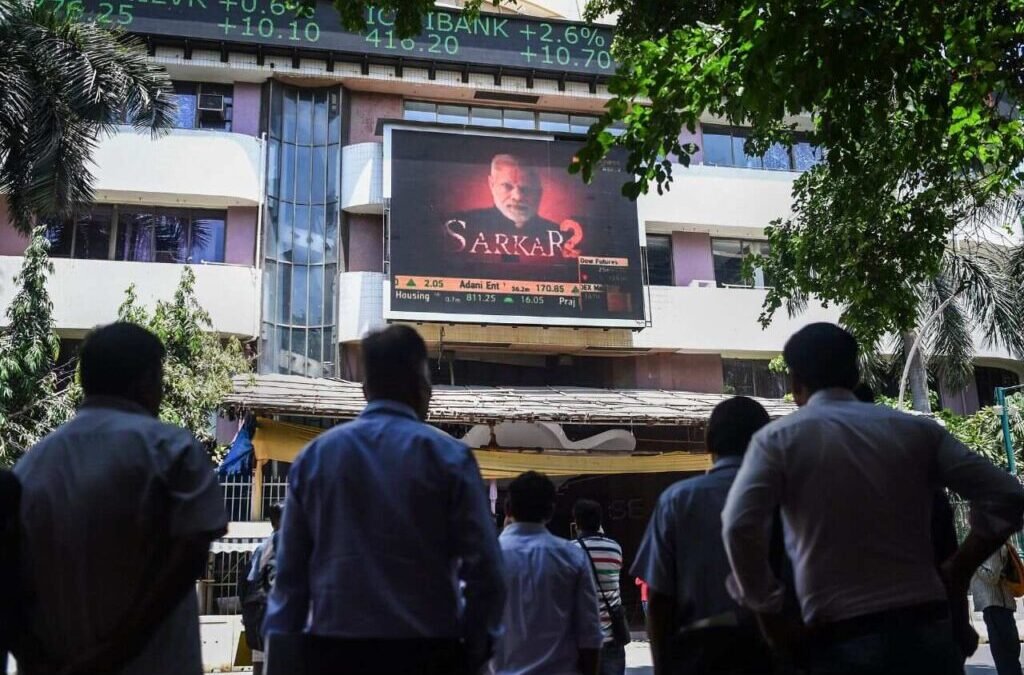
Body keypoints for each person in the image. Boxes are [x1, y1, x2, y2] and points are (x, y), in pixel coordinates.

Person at [723, 322, 1024, 675]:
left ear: (794, 384)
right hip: (925, 634)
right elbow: (1007, 495)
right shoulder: (916, 431)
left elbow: (739, 528)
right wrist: (959, 569)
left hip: (836, 640)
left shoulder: (777, 441)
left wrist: (769, 613)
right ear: (854, 373)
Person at [264, 325, 505, 675]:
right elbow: (486, 571)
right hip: (430, 654)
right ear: (421, 386)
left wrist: (283, 660)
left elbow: (290, 583)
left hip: (335, 656)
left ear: (365, 389)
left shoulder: (315, 459)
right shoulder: (450, 460)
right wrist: (474, 646)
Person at [14, 322, 227, 675]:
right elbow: (190, 557)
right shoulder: (171, 450)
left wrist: (40, 658)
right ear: (145, 382)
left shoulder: (32, 465)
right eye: (159, 379)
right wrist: (112, 654)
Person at [632, 396, 774, 675]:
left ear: (708, 442)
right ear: (764, 439)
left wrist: (663, 667)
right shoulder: (785, 494)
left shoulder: (677, 500)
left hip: (700, 656)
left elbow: (660, 598)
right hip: (773, 650)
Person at [493, 471, 604, 675]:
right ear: (551, 511)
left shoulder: (487, 558)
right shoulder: (572, 558)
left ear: (508, 508)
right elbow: (589, 636)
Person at [572, 499, 627, 675]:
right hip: (612, 638)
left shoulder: (570, 550)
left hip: (582, 640)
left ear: (576, 523)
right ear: (600, 521)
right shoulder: (615, 548)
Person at [242, 502, 284, 675]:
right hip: (276, 611)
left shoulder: (261, 548)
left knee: (260, 662)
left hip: (259, 612)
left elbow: (248, 581)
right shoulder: (285, 542)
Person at [971, 547, 1022, 675]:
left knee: (1005, 658)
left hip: (997, 605)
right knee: (1007, 658)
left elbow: (992, 576)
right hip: (996, 606)